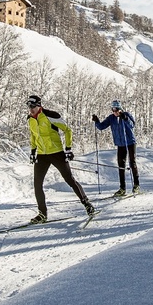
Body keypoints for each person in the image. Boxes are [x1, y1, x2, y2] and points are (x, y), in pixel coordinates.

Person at [26, 94, 96, 223]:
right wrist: (33, 152)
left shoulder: (50, 115)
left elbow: (68, 130)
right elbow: (33, 136)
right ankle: (42, 214)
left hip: (57, 153)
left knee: (69, 180)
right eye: (29, 107)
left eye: (33, 106)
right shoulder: (30, 119)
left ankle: (87, 205)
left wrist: (68, 148)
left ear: (39, 105)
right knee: (37, 184)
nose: (31, 109)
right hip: (42, 155)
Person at [92, 100, 140, 197]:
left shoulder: (126, 115)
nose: (115, 112)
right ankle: (122, 188)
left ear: (120, 109)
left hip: (130, 142)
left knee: (132, 163)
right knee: (121, 165)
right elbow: (102, 127)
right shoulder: (111, 118)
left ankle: (136, 185)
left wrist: (125, 118)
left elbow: (132, 125)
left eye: (116, 109)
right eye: (113, 110)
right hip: (120, 144)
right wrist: (97, 121)